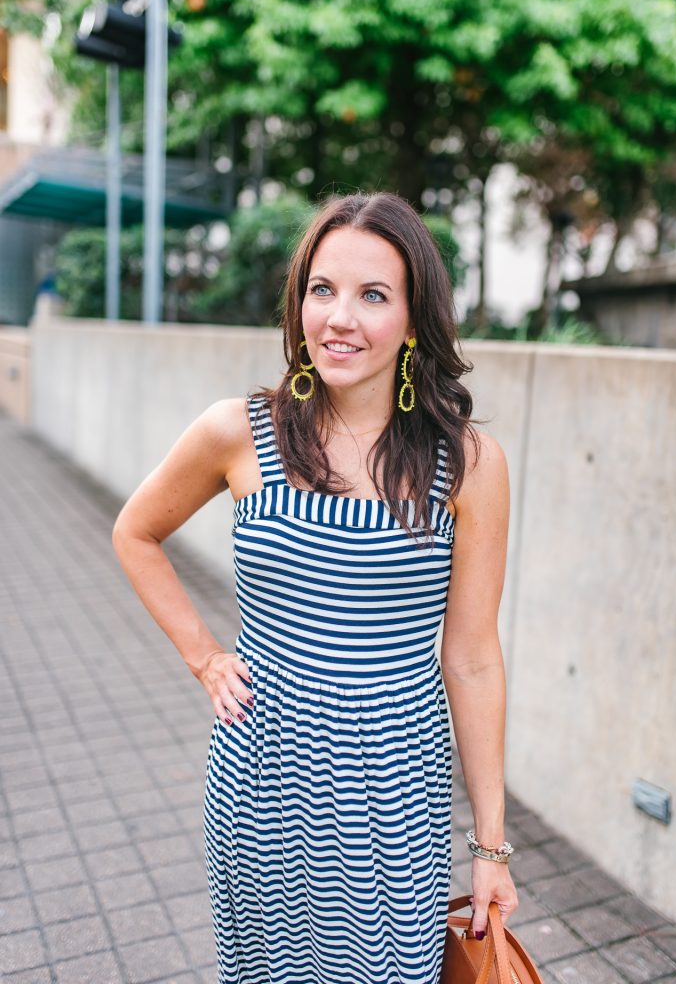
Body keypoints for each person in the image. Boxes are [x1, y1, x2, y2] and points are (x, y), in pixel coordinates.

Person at [112, 190, 518, 984]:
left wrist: (490, 849)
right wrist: (203, 657)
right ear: (298, 301)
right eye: (322, 289)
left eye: (373, 295)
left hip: (394, 794)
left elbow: (470, 659)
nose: (341, 317)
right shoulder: (239, 430)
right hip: (261, 780)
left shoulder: (468, 464)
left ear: (413, 318)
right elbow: (135, 531)